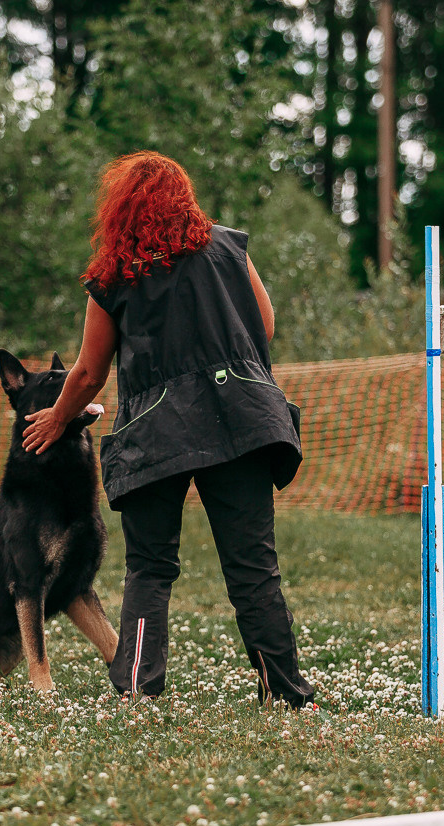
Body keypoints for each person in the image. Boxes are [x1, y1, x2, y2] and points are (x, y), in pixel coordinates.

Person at [22, 152, 315, 709]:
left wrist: (58, 418)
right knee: (254, 569)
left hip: (156, 430)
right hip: (242, 421)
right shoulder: (229, 247)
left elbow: (88, 371)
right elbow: (265, 325)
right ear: (184, 198)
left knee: (150, 567)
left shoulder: (114, 274)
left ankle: (137, 688)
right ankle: (285, 693)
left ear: (121, 209)